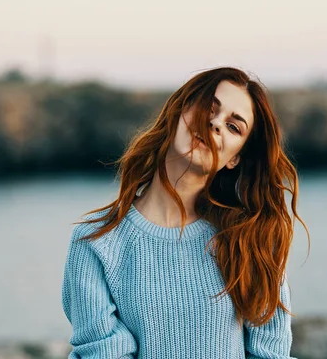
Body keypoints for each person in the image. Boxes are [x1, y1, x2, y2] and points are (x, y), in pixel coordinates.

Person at [61, 66, 309, 358]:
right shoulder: (95, 242)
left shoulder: (250, 241)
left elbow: (270, 354)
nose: (216, 123)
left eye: (234, 126)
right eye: (210, 108)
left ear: (235, 159)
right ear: (180, 110)